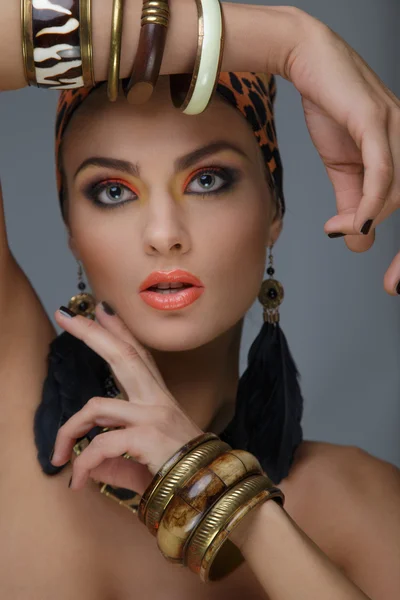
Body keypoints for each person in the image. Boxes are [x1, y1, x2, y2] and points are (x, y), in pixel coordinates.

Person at [0, 1, 399, 599]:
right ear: (71, 231)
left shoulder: (358, 499)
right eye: (112, 190)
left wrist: (227, 496)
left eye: (207, 179)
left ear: (274, 211)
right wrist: (285, 42)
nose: (163, 232)